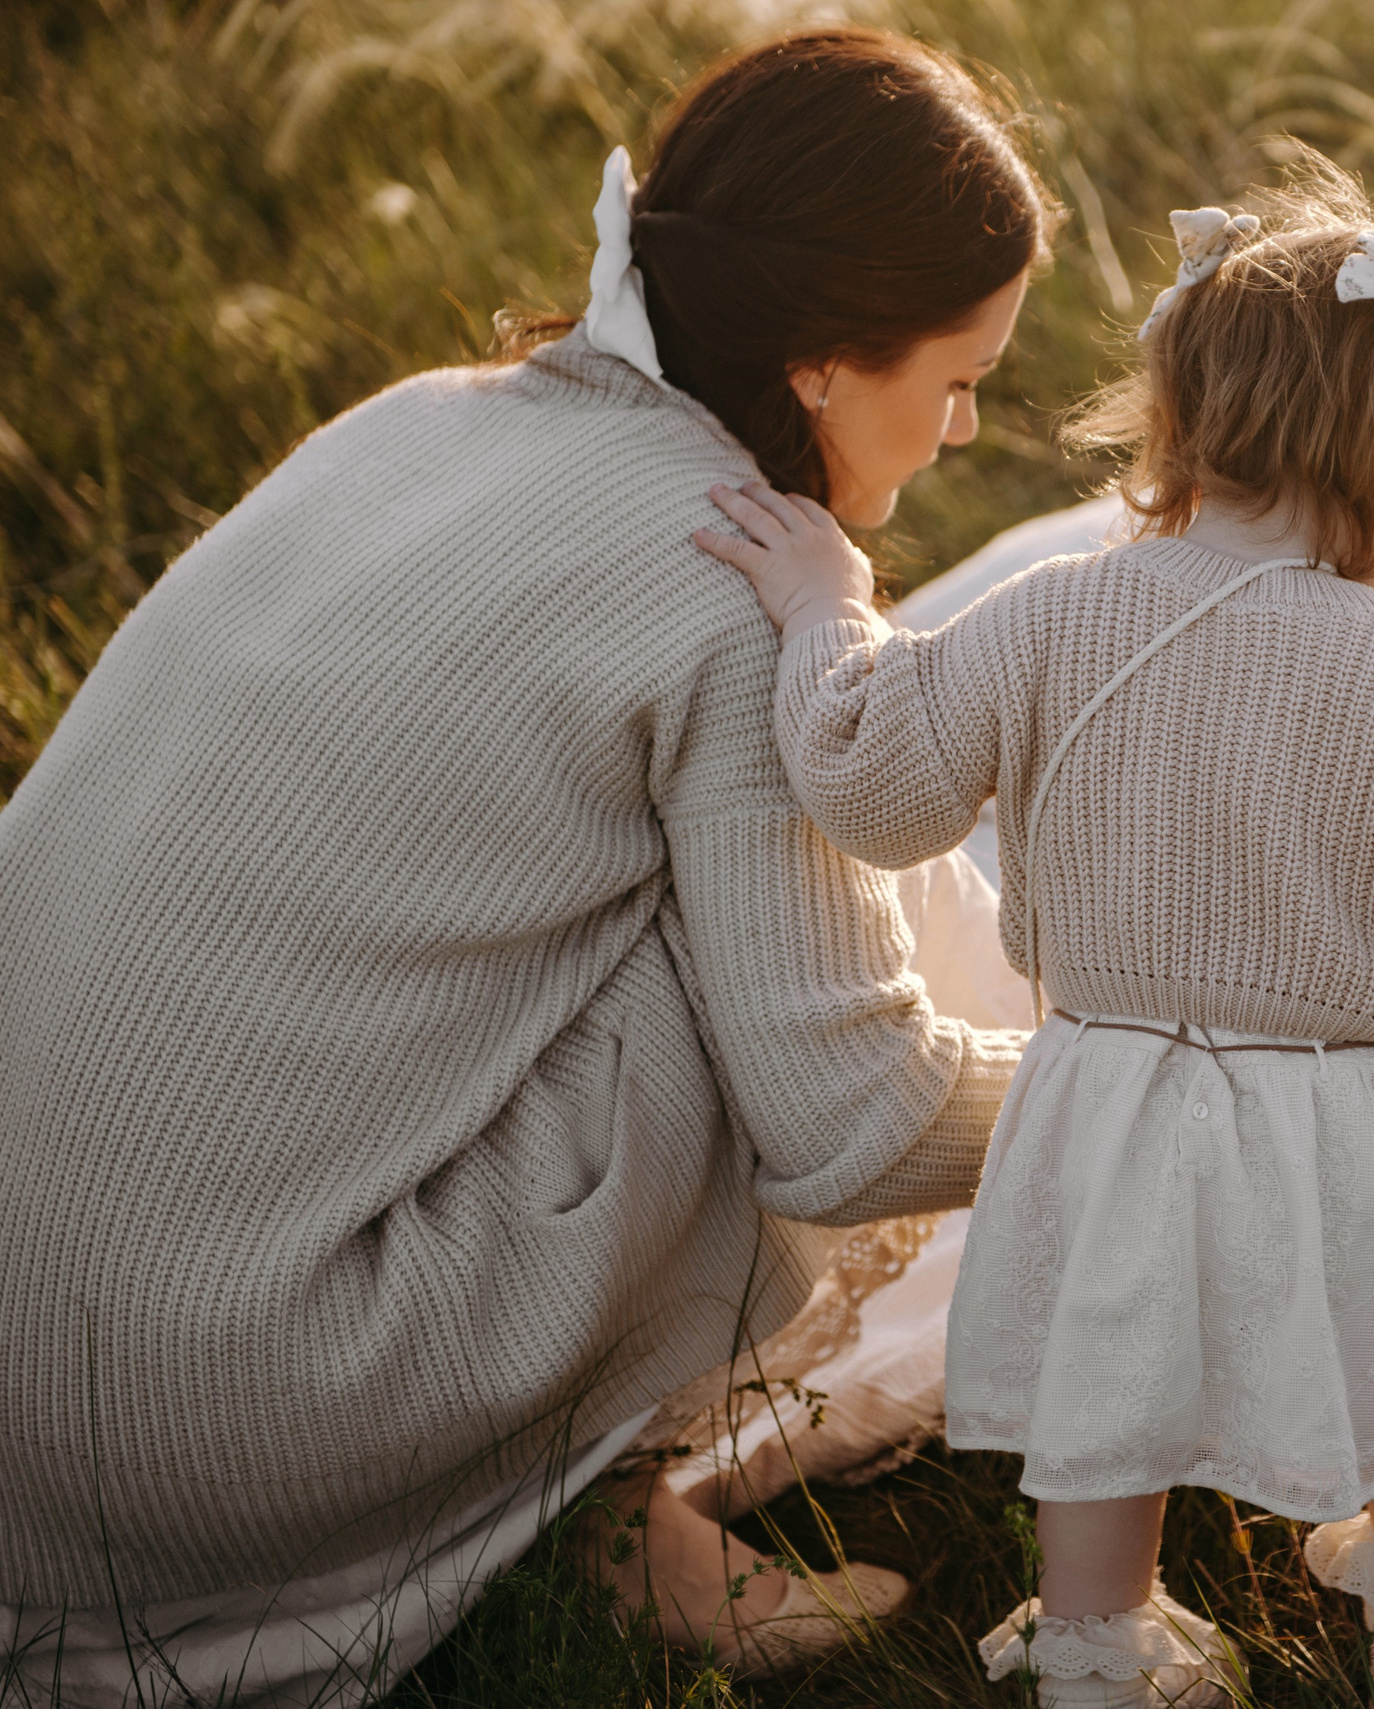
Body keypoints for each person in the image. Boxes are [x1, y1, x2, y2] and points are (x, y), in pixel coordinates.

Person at [0, 29, 1055, 1703]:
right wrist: (1177, 1061)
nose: (970, 425)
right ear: (825, 369)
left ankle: (603, 1504)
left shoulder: (431, 416)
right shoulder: (724, 590)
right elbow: (852, 1122)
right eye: (958, 377)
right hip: (207, 1412)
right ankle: (615, 1524)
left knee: (778, 855)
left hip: (22, 1376)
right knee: (800, 938)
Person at [692, 176, 1374, 1709]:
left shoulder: (1055, 613)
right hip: (1349, 1115)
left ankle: (1100, 1646)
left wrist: (821, 612)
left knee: (1103, 1382)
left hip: (1109, 1102)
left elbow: (871, 781)